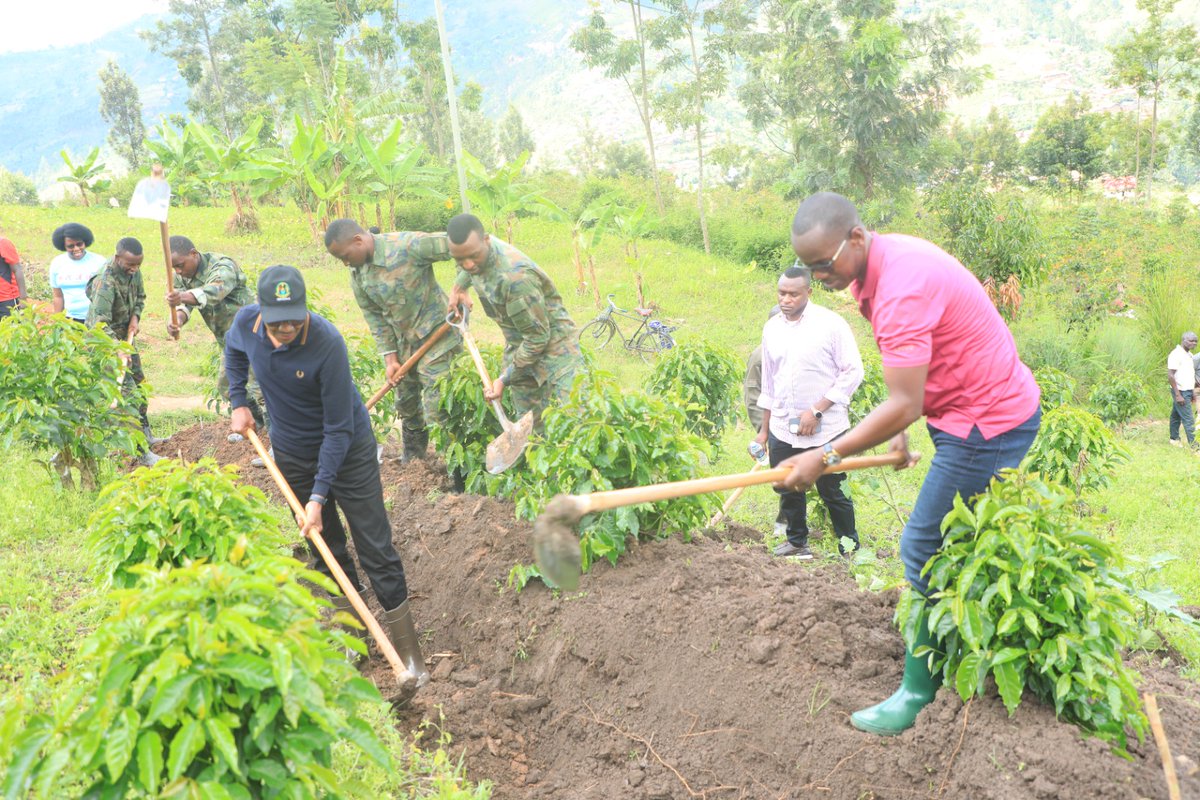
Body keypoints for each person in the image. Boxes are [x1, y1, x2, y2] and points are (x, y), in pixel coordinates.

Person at [782, 192, 1041, 736]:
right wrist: (899, 432)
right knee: (955, 541)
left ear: (856, 237)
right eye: (809, 268)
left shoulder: (901, 286)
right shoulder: (875, 265)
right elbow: (909, 374)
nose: (819, 277)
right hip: (967, 412)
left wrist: (824, 457)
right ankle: (962, 649)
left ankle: (918, 693)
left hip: (987, 423)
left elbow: (905, 400)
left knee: (922, 545)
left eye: (823, 265)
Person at [224, 265, 429, 686]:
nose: (286, 329)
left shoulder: (326, 342)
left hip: (348, 451)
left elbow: (338, 429)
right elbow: (233, 350)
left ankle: (410, 657)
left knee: (375, 547)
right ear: (261, 312)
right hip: (292, 454)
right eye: (277, 322)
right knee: (325, 548)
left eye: (294, 320)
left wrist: (318, 498)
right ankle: (355, 640)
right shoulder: (246, 322)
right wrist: (239, 400)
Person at [324, 218, 463, 463]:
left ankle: (454, 466)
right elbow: (375, 318)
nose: (345, 263)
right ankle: (414, 459)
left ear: (358, 240)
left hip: (438, 334)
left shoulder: (408, 245)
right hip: (403, 342)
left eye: (345, 256)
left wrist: (461, 288)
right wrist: (390, 359)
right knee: (405, 401)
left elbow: (461, 244)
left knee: (438, 404)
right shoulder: (358, 275)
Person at [754, 268, 863, 559]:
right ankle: (797, 542)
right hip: (782, 428)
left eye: (793, 294)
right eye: (781, 293)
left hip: (829, 431)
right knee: (786, 484)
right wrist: (763, 431)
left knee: (834, 487)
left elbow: (853, 371)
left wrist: (816, 411)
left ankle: (849, 546)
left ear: (808, 293)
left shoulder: (831, 325)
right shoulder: (772, 328)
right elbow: (769, 382)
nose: (786, 299)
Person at [444, 214, 583, 426]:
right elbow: (467, 265)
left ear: (486, 240)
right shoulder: (475, 254)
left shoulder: (515, 278)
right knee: (529, 425)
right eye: (460, 260)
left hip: (557, 348)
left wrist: (504, 378)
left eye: (473, 257)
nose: (468, 264)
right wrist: (459, 288)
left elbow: (537, 339)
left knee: (579, 419)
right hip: (519, 345)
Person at [165, 235, 269, 445]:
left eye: (180, 265)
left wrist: (181, 297)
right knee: (227, 386)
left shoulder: (222, 265)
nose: (178, 271)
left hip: (254, 335)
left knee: (261, 391)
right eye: (174, 267)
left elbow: (213, 292)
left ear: (194, 254)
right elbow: (185, 306)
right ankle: (256, 426)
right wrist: (177, 320)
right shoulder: (181, 276)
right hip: (231, 342)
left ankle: (278, 440)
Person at [85, 237, 166, 466]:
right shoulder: (105, 281)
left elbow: (140, 297)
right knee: (127, 396)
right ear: (117, 257)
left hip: (124, 338)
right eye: (130, 264)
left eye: (138, 264)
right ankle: (141, 453)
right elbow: (98, 324)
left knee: (139, 386)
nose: (135, 269)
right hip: (104, 344)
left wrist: (135, 318)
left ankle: (146, 435)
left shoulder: (134, 272)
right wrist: (117, 349)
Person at [49, 223, 106, 323]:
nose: (76, 249)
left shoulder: (99, 262)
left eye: (79, 244)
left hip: (94, 319)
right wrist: (57, 321)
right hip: (69, 319)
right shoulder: (57, 264)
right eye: (70, 246)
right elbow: (58, 296)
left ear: (85, 242)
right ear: (64, 246)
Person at [1168, 332, 1198, 449]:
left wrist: (1192, 392)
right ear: (1183, 340)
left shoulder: (1189, 355)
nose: (1194, 343)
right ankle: (1195, 447)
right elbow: (1171, 375)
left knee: (1176, 415)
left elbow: (1189, 374)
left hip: (1188, 390)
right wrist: (1178, 395)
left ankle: (1174, 439)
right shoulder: (1176, 354)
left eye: (1195, 341)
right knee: (1189, 419)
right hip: (1180, 391)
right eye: (1191, 341)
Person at [0, 234, 28, 319]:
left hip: (7, 300)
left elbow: (17, 269)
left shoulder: (3, 243)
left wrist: (23, 299)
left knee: (11, 326)